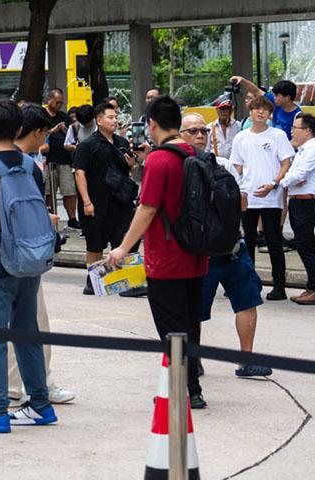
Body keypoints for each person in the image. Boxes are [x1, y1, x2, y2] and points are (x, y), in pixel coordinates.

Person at [107, 95, 209, 410]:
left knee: (172, 329)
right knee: (191, 324)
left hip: (166, 259)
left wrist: (124, 247)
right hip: (197, 255)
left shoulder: (159, 160)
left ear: (151, 124)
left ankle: (183, 390)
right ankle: (192, 387)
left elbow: (148, 208)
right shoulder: (198, 153)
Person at [0, 99, 59, 434]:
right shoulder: (30, 165)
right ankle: (41, 406)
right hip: (28, 262)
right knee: (26, 335)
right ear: (19, 129)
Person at [180, 113, 271, 378]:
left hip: (232, 249)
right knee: (194, 313)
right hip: (201, 254)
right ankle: (193, 361)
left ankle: (245, 360)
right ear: (180, 134)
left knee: (247, 302)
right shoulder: (178, 167)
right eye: (192, 131)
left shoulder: (224, 165)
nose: (199, 136)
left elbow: (243, 202)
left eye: (203, 131)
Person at [7, 105, 75, 406]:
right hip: (24, 256)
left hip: (9, 256)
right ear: (35, 132)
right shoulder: (25, 165)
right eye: (44, 134)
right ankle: (34, 384)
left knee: (18, 322)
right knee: (32, 321)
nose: (43, 140)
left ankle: (19, 385)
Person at [229, 95, 293, 301]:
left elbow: (286, 163)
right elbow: (236, 166)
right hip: (248, 196)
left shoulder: (278, 135)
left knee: (273, 241)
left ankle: (279, 286)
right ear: (250, 112)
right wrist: (237, 189)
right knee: (247, 242)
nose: (260, 112)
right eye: (257, 109)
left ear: (269, 114)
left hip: (270, 196)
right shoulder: (241, 137)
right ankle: (250, 284)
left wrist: (274, 183)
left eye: (265, 110)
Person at [73, 104, 137, 294]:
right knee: (95, 245)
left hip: (120, 202)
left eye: (115, 117)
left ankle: (126, 283)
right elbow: (79, 173)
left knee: (122, 242)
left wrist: (132, 163)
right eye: (110, 117)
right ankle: (93, 282)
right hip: (96, 203)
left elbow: (129, 170)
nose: (114, 120)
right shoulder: (87, 145)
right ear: (99, 121)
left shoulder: (121, 142)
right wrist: (86, 202)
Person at [281, 113, 315, 305]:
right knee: (303, 245)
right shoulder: (302, 151)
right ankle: (312, 287)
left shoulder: (313, 150)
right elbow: (293, 174)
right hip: (298, 201)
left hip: (307, 203)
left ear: (307, 131)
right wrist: (287, 180)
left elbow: (298, 176)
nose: (292, 131)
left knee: (306, 246)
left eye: (295, 128)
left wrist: (281, 182)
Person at [41, 89, 78, 230]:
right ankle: (50, 215)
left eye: (61, 103)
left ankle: (72, 218)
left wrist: (65, 131)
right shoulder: (42, 115)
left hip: (64, 159)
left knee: (69, 190)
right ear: (49, 99)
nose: (59, 105)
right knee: (49, 191)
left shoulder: (64, 116)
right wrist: (52, 130)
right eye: (57, 102)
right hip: (48, 159)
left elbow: (72, 135)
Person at [229, 76, 301, 138]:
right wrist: (242, 80)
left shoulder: (298, 115)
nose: (274, 97)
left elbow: (298, 140)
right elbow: (256, 91)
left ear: (287, 97)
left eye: (277, 95)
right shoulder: (277, 103)